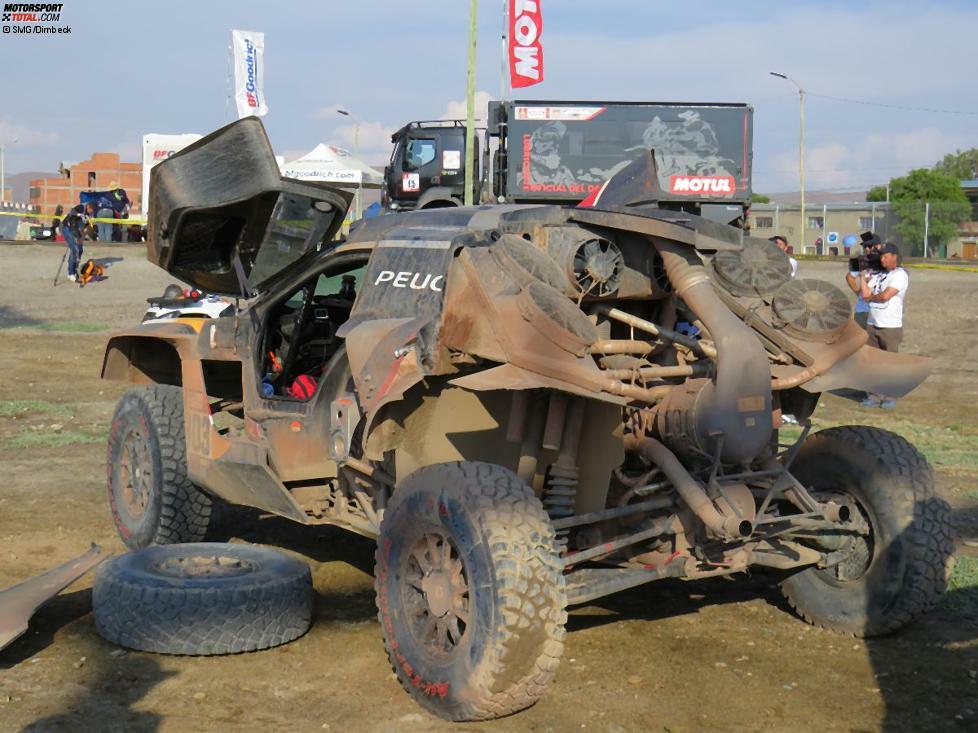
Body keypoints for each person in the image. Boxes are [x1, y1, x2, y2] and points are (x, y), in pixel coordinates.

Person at [859, 242, 909, 409]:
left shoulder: (900, 275)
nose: (882, 259)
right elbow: (865, 294)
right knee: (871, 362)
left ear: (894, 256)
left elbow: (886, 296)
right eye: (881, 256)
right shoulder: (878, 275)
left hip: (890, 325)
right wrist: (862, 278)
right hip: (872, 323)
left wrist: (872, 296)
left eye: (886, 256)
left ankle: (889, 396)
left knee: (890, 362)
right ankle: (873, 395)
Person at [846, 236, 882, 329]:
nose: (866, 249)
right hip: (862, 309)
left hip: (878, 310)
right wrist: (857, 292)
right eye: (865, 246)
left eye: (869, 246)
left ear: (878, 246)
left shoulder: (884, 260)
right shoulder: (859, 259)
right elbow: (849, 276)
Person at [61, 202, 95, 282]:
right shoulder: (81, 207)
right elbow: (72, 213)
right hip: (67, 228)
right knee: (75, 249)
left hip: (77, 231)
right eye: (91, 211)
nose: (92, 213)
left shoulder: (88, 215)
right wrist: (74, 228)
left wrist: (93, 235)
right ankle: (71, 273)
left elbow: (86, 226)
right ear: (89, 207)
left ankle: (74, 269)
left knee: (80, 250)